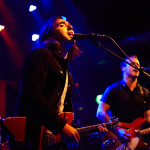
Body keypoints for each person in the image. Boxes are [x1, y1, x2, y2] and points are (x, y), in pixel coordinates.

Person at [14, 16, 107, 150]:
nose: (70, 27)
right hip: (30, 138)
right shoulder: (40, 55)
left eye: (70, 25)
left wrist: (92, 132)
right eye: (61, 25)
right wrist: (61, 126)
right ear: (50, 34)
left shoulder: (67, 74)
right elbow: (30, 94)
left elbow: (65, 114)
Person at [96, 55, 150, 149]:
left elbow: (148, 117)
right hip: (117, 138)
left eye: (138, 64)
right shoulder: (113, 89)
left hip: (137, 139)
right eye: (133, 63)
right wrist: (118, 130)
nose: (136, 66)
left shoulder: (144, 92)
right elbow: (100, 112)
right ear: (123, 67)